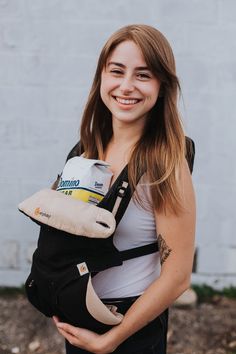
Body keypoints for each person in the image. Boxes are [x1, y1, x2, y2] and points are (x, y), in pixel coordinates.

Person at [52, 24, 196, 354]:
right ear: (102, 77)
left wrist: (110, 341)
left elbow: (177, 277)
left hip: (130, 326)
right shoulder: (85, 151)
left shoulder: (165, 166)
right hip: (78, 315)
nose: (126, 86)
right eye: (117, 71)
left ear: (161, 86)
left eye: (143, 75)